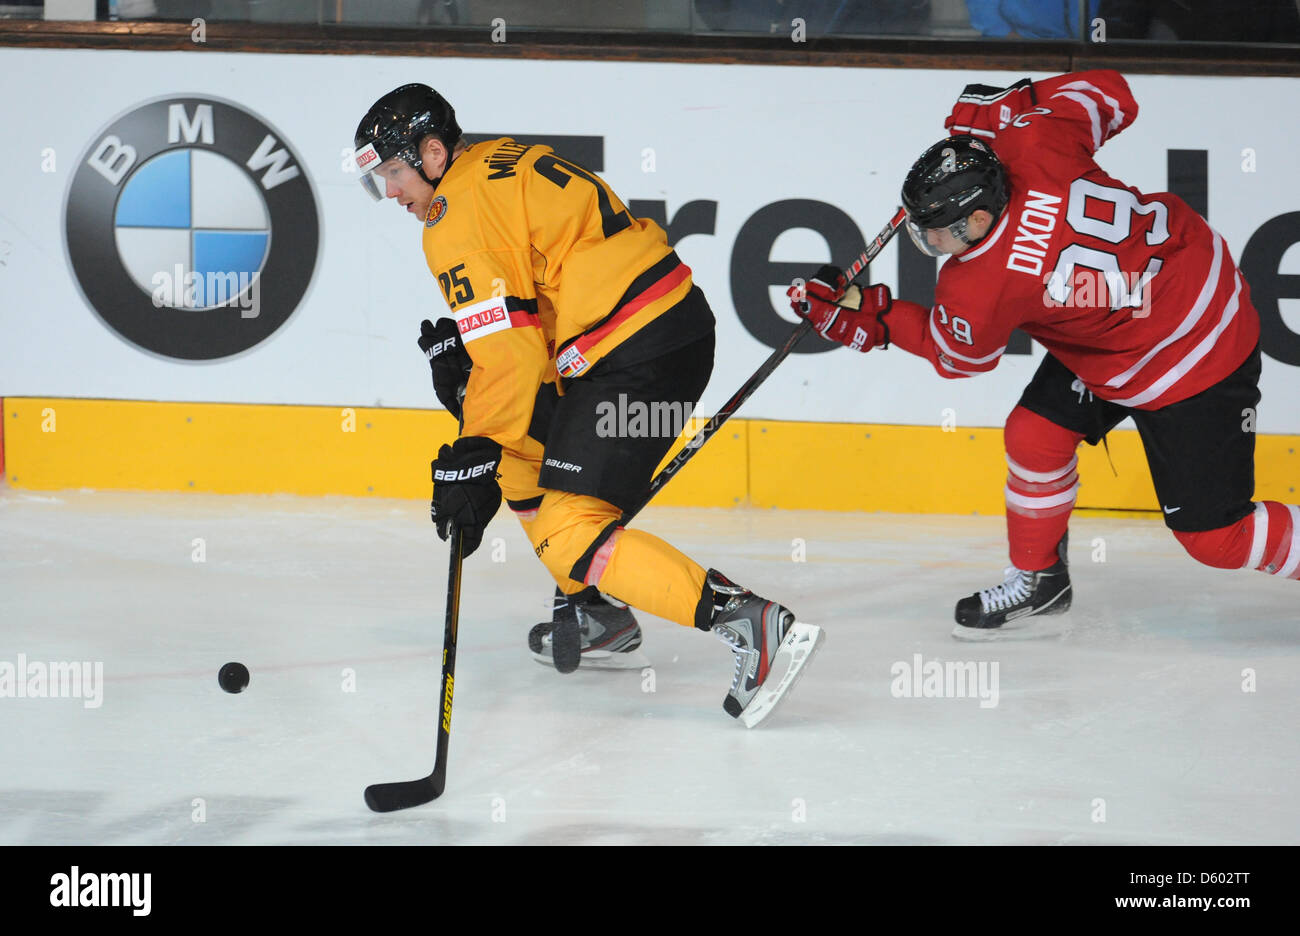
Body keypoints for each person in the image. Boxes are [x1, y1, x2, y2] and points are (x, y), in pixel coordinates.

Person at [353, 84, 820, 723]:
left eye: (396, 174)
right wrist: (475, 403)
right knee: (516, 456)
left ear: (433, 153)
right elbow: (527, 326)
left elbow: (512, 358)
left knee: (568, 529)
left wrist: (470, 448)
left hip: (636, 360)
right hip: (658, 337)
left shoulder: (453, 219)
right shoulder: (496, 163)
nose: (393, 193)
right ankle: (595, 610)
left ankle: (751, 623)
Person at [790, 69, 1298, 639]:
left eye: (935, 232)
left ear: (978, 218)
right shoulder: (1033, 141)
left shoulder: (978, 288)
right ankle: (1040, 581)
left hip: (1193, 353)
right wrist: (1017, 105)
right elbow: (1113, 94)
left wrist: (866, 318)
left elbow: (954, 356)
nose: (928, 242)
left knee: (1216, 537)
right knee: (1035, 434)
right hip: (1170, 284)